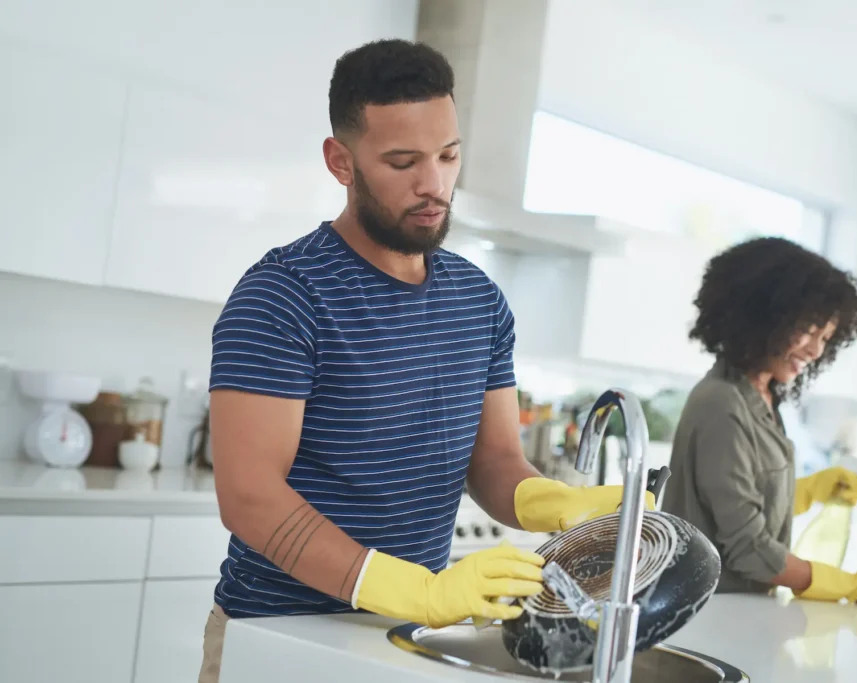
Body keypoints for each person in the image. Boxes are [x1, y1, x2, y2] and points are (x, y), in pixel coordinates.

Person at [197, 38, 651, 682]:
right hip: (279, 638)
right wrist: (419, 591)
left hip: (406, 643)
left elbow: (494, 462)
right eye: (403, 161)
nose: (433, 184)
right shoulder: (284, 294)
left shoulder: (479, 300)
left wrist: (557, 505)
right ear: (340, 161)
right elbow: (250, 499)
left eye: (448, 155)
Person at [661, 237, 857, 602]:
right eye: (810, 331)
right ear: (765, 316)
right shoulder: (721, 404)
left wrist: (813, 488)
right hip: (711, 612)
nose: (816, 351)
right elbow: (748, 548)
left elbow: (745, 502)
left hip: (742, 612)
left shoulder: (762, 397)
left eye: (826, 337)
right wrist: (849, 585)